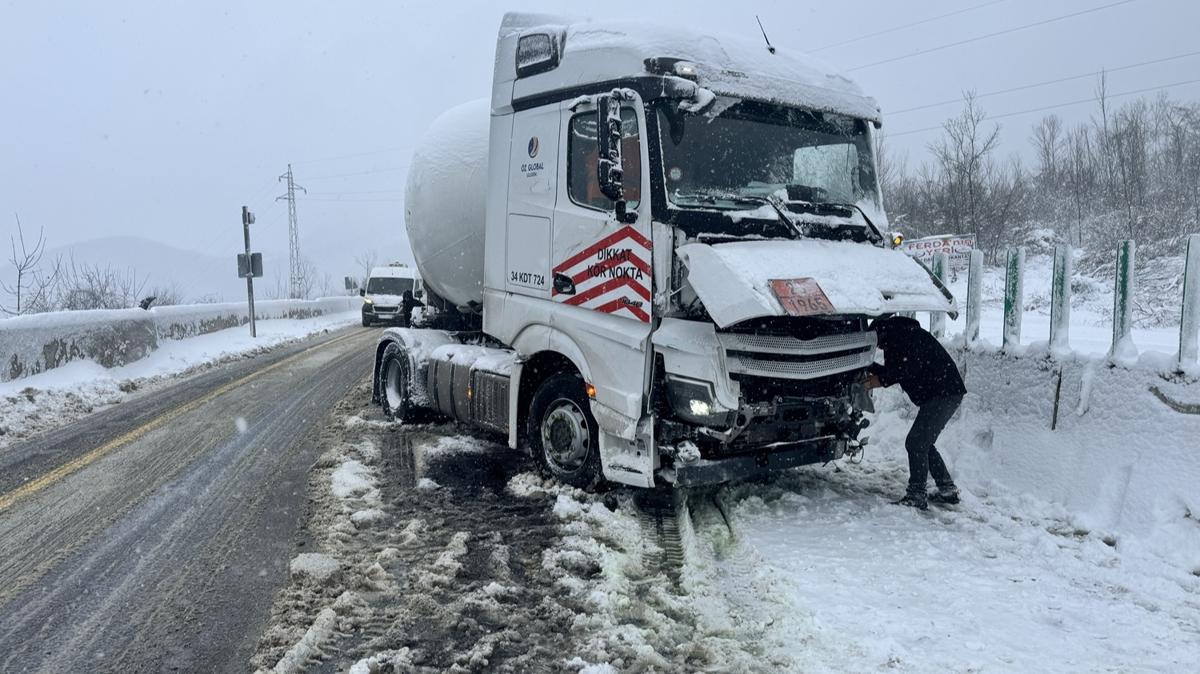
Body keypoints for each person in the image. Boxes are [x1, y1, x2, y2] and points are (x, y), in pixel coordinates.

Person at [865, 315, 967, 510]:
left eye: (876, 342)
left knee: (916, 442)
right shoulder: (901, 337)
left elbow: (903, 370)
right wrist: (868, 366)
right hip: (944, 392)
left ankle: (916, 494)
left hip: (943, 393)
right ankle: (947, 489)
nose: (877, 347)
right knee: (923, 443)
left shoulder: (905, 339)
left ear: (881, 333)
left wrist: (878, 379)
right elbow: (895, 370)